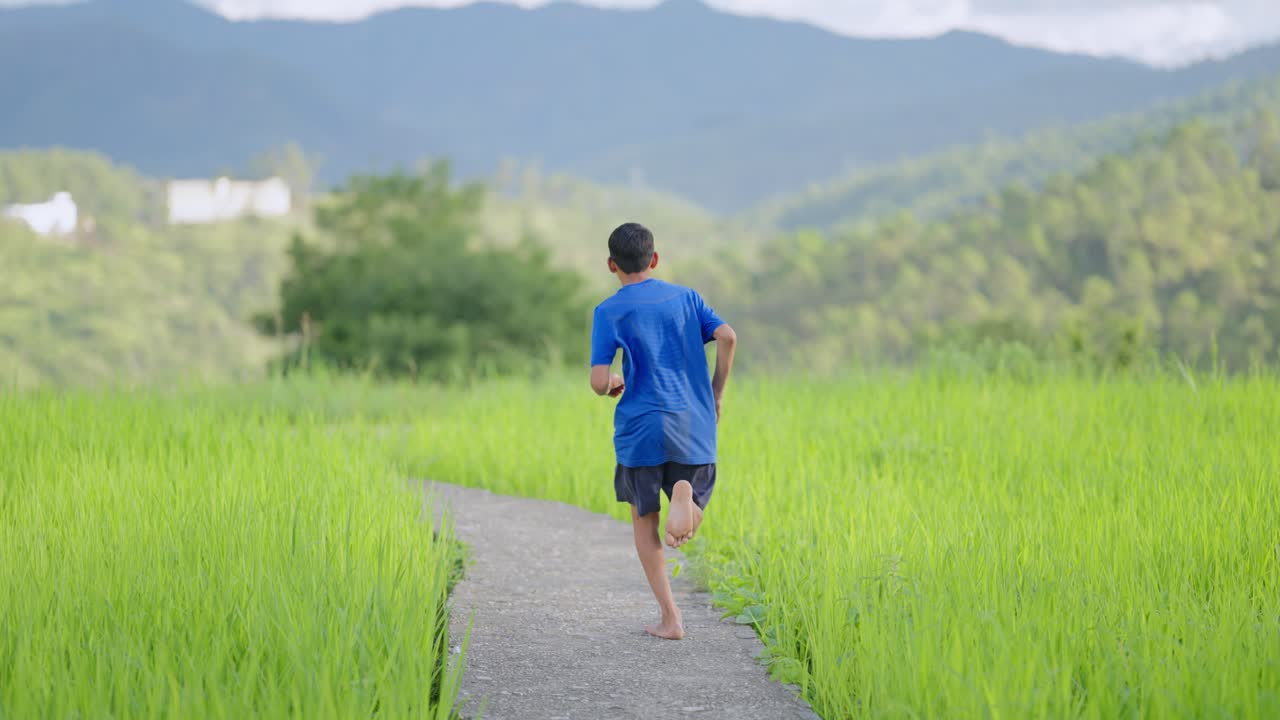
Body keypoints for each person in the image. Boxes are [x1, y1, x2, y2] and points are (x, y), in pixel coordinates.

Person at [589, 222, 737, 641]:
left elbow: (599, 381)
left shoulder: (609, 310)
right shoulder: (687, 298)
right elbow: (727, 336)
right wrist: (717, 393)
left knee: (644, 520)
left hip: (641, 428)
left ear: (611, 265)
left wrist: (614, 381)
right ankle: (685, 498)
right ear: (654, 260)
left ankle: (671, 618)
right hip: (694, 421)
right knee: (686, 516)